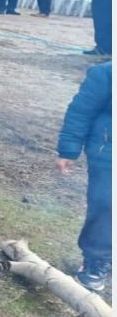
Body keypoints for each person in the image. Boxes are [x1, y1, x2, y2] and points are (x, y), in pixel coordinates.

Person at [56, 62, 112, 292]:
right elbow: (80, 111)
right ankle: (96, 260)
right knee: (106, 206)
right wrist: (68, 150)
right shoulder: (107, 73)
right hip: (108, 154)